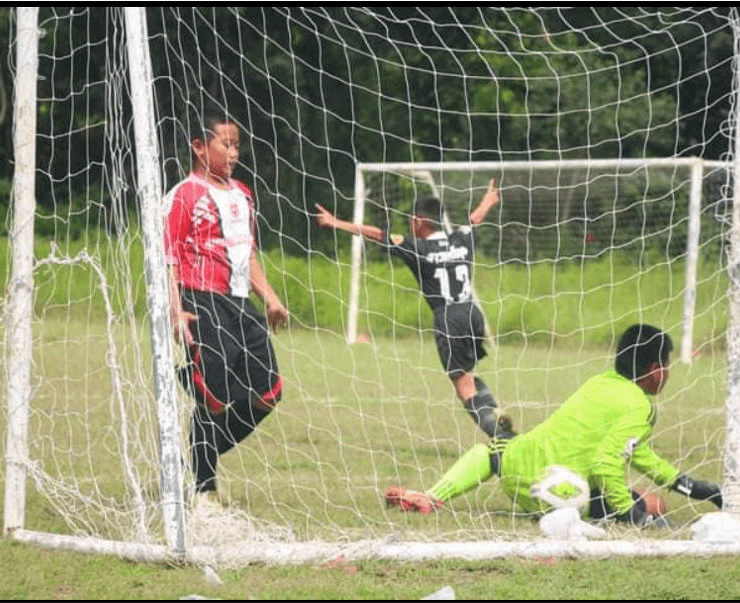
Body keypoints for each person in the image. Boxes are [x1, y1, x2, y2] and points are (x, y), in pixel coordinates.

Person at [384, 324, 723, 526]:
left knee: (494, 449)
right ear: (653, 370)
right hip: (563, 492)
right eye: (666, 365)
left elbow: (638, 453)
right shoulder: (641, 407)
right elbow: (607, 462)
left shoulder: (599, 382)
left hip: (517, 474)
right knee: (654, 504)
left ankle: (433, 497)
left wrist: (690, 485)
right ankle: (573, 511)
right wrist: (631, 513)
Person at [315, 180, 514, 439]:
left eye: (411, 219)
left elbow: (377, 234)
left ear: (419, 221)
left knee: (463, 387)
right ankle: (496, 415)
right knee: (469, 376)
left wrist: (335, 223)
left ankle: (501, 435)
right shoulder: (461, 239)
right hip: (471, 312)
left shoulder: (419, 248)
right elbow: (474, 220)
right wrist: (488, 200)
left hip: (448, 318)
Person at [164, 104, 289, 504]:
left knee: (268, 388)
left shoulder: (243, 195)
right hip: (200, 298)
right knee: (214, 392)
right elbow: (166, 256)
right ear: (200, 147)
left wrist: (269, 297)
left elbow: (246, 252)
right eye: (226, 143)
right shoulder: (185, 194)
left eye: (237, 144)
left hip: (238, 302)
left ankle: (198, 458)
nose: (234, 152)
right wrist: (174, 307)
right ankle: (205, 490)